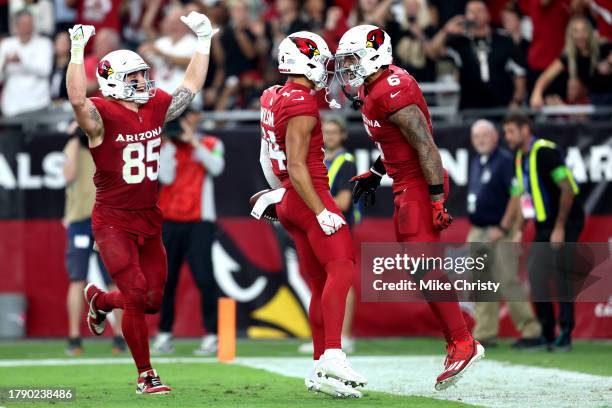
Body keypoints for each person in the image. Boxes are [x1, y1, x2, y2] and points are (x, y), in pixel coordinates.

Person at [66, 11, 216, 394]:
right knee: (134, 294)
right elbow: (78, 99)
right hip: (113, 218)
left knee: (151, 301)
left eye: (142, 74)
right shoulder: (101, 115)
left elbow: (190, 86)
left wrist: (203, 41)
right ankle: (146, 375)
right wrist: (76, 50)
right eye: (134, 77)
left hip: (150, 217)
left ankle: (100, 300)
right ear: (114, 82)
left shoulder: (154, 106)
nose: (143, 82)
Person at [335, 24, 483, 391]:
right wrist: (375, 172)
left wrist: (435, 199)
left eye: (353, 58)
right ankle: (456, 341)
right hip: (404, 185)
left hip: (418, 187)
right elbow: (396, 144)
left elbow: (425, 144)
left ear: (372, 55)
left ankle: (464, 342)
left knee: (426, 267)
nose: (348, 67)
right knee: (419, 272)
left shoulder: (390, 89)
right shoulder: (373, 88)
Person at [257, 31, 366, 398]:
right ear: (304, 62)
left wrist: (279, 190)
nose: (325, 68)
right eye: (320, 60)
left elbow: (267, 157)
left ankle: (321, 367)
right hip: (310, 195)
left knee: (320, 284)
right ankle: (333, 353)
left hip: (291, 197)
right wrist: (320, 210)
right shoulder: (301, 103)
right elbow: (299, 164)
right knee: (343, 268)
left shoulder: (271, 95)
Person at [503, 114, 585, 351]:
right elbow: (520, 197)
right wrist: (518, 230)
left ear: (525, 129)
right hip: (544, 224)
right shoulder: (518, 159)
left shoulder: (545, 152)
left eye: (510, 131)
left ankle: (565, 333)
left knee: (561, 276)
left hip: (566, 220)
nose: (507, 137)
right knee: (536, 274)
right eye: (506, 132)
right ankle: (546, 333)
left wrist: (560, 227)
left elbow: (567, 189)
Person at [152, 109, 225, 355]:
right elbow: (166, 176)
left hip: (199, 222)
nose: (185, 123)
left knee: (205, 279)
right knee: (167, 281)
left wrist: (193, 142)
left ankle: (213, 335)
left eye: (189, 117)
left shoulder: (212, 143)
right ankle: (164, 334)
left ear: (196, 119)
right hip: (170, 222)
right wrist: (172, 143)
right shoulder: (165, 145)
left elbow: (217, 167)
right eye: (181, 119)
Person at [466, 119, 542, 350]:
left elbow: (517, 195)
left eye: (485, 135)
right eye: (476, 136)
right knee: (481, 284)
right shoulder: (477, 161)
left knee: (508, 279)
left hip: (501, 230)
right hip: (478, 230)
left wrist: (504, 225)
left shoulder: (506, 161)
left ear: (495, 137)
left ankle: (531, 331)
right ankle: (485, 333)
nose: (480, 139)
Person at [62, 121, 126, 356]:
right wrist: (72, 139)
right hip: (80, 221)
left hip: (106, 222)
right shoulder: (73, 148)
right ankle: (73, 338)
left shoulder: (107, 146)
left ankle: (121, 336)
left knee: (114, 280)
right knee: (76, 278)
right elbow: (68, 175)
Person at [298, 115, 360, 355]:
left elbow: (343, 202)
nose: (329, 136)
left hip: (336, 224)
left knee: (341, 278)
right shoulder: (317, 159)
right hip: (319, 224)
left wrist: (312, 206)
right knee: (323, 281)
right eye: (326, 132)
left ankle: (345, 336)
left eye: (334, 132)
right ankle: (324, 339)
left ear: (342, 135)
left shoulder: (345, 161)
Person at [428, 0, 527, 109]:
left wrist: (516, 101)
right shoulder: (461, 42)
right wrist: (446, 30)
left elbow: (519, 73)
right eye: (471, 11)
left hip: (501, 108)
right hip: (470, 109)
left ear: (488, 15)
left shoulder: (503, 40)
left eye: (479, 11)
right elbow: (432, 52)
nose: (475, 15)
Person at [530, 16, 612, 108]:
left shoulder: (604, 47)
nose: (580, 35)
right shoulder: (569, 55)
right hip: (595, 101)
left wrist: (610, 64)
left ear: (589, 32)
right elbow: (546, 77)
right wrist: (537, 94)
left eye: (584, 30)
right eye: (576, 31)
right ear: (571, 35)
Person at [0, 9, 52, 117]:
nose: (28, 27)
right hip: (12, 107)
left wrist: (21, 61)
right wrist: (4, 64)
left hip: (38, 104)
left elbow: (45, 70)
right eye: (24, 24)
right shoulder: (7, 44)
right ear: (16, 26)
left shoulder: (44, 43)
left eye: (30, 23)